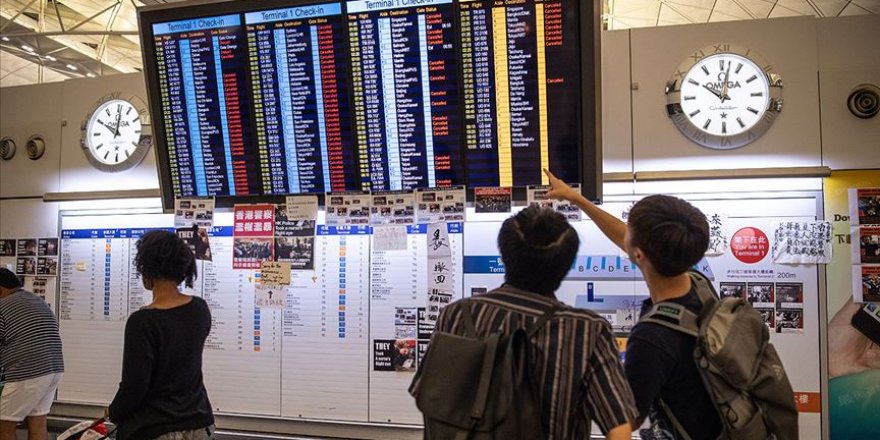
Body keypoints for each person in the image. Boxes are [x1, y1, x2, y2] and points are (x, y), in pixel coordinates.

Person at [544, 169, 723, 439]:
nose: (625, 233)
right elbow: (626, 237)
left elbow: (626, 419)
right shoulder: (698, 284)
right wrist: (575, 198)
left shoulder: (652, 337)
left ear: (638, 253)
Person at [433, 206, 636, 440]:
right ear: (566, 265)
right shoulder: (586, 330)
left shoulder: (456, 315)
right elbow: (619, 428)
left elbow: (436, 396)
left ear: (504, 256)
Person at [107, 230, 214, 440]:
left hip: (156, 427)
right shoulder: (200, 309)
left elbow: (135, 386)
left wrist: (113, 412)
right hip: (200, 423)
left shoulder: (143, 322)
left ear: (147, 269)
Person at [0, 268, 64, 440]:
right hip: (54, 369)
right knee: (38, 423)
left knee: (4, 426)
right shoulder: (37, 300)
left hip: (27, 372)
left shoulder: (3, 306)